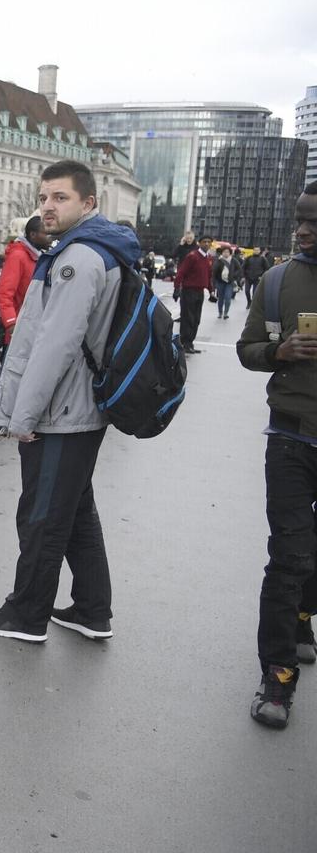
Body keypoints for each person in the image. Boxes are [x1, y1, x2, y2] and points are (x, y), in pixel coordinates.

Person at [0, 160, 140, 643]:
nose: (47, 206)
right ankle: (91, 608)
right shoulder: (95, 250)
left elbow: (54, 345)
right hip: (80, 409)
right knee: (75, 509)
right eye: (44, 197)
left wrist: (22, 416)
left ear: (88, 203)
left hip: (60, 412)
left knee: (42, 515)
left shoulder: (77, 259)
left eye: (60, 198)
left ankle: (26, 614)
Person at [239, 180, 317, 729]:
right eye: (299, 218)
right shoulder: (276, 281)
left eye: (314, 221)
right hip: (290, 437)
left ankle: (304, 618)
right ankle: (277, 675)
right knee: (288, 555)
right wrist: (278, 350)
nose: (303, 228)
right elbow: (247, 350)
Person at [0, 215, 51, 348]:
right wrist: (11, 325)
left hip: (31, 330)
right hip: (18, 333)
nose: (50, 236)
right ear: (33, 235)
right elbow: (3, 293)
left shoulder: (39, 256)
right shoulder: (18, 256)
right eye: (46, 233)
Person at [173, 235, 214, 353]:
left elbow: (208, 276)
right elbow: (181, 272)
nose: (206, 244)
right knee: (188, 318)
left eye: (209, 242)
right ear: (199, 243)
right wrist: (176, 288)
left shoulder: (208, 258)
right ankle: (185, 343)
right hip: (189, 291)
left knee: (196, 319)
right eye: (204, 242)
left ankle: (190, 342)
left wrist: (211, 291)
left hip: (199, 292)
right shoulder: (192, 256)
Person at [213, 246, 239, 319]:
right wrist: (213, 283)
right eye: (224, 252)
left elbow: (239, 269)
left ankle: (226, 313)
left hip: (229, 282)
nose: (226, 253)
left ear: (230, 253)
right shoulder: (219, 260)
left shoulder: (234, 260)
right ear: (222, 252)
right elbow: (214, 272)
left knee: (228, 298)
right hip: (220, 282)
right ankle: (220, 312)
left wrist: (233, 275)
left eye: (227, 252)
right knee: (220, 298)